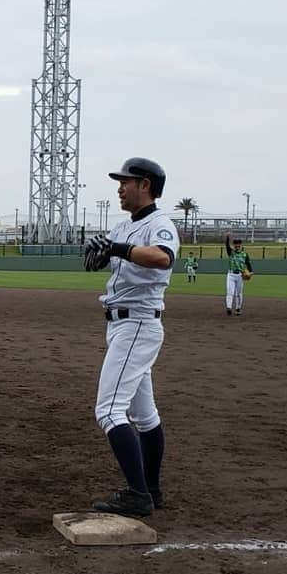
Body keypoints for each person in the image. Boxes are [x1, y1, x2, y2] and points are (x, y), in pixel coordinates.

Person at [83, 158, 178, 518]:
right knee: (144, 414)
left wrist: (117, 249)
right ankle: (151, 489)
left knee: (108, 410)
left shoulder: (161, 224)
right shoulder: (123, 226)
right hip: (122, 325)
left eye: (126, 181)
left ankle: (138, 494)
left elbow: (161, 258)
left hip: (138, 324)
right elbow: (106, 261)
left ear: (146, 185)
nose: (120, 188)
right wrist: (96, 256)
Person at [224, 233, 253, 315]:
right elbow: (226, 245)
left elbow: (248, 264)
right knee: (230, 291)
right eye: (235, 245)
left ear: (241, 245)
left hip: (240, 275)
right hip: (231, 275)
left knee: (239, 293)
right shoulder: (231, 252)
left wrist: (251, 272)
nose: (237, 246)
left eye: (238, 245)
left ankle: (238, 308)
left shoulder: (245, 254)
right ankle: (229, 308)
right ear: (233, 245)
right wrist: (227, 238)